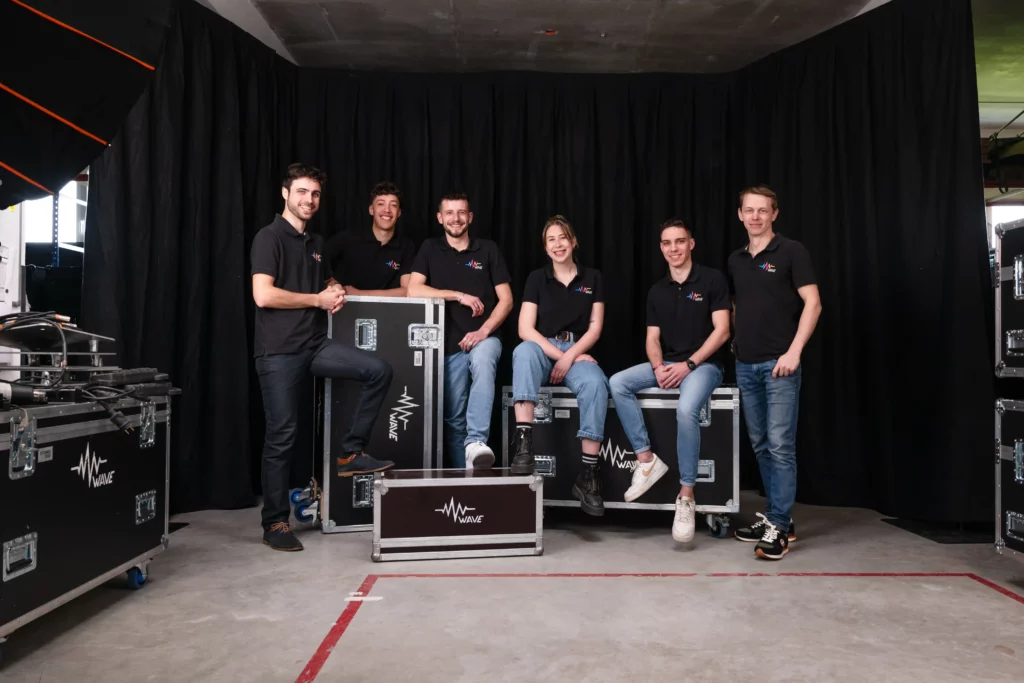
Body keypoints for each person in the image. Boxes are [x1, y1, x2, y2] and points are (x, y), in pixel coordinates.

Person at [251, 163, 395, 552]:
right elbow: (263, 295)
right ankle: (275, 522)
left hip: (314, 344)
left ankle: (350, 452)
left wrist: (334, 288)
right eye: (302, 192)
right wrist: (317, 300)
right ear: (286, 194)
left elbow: (325, 279)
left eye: (314, 194)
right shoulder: (269, 238)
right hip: (278, 352)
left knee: (378, 370)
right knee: (282, 435)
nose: (309, 200)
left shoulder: (315, 242)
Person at [608, 219, 731, 542]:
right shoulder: (657, 291)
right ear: (661, 248)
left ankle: (686, 496)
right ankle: (646, 460)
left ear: (691, 243)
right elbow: (652, 338)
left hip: (704, 366)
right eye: (667, 243)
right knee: (618, 382)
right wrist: (659, 366)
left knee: (686, 409)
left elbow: (722, 331)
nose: (673, 248)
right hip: (669, 363)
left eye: (679, 241)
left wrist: (688, 365)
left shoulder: (712, 280)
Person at [727, 185, 821, 561]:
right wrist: (737, 339)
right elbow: (739, 305)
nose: (755, 217)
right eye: (749, 210)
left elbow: (813, 303)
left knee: (781, 446)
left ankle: (778, 528)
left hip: (780, 366)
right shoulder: (736, 260)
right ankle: (776, 518)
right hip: (746, 365)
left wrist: (794, 352)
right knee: (762, 445)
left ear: (774, 214)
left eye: (762, 210)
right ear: (740, 215)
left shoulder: (791, 251)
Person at [508, 216, 611, 515]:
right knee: (523, 351)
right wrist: (559, 355)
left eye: (563, 237)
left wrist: (571, 357)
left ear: (573, 241)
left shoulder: (593, 278)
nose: (558, 244)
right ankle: (524, 446)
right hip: (543, 348)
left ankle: (588, 476)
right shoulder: (537, 279)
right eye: (551, 239)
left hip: (578, 349)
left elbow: (595, 328)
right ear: (545, 247)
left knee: (595, 382)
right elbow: (525, 329)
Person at [407, 192, 513, 468]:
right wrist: (457, 295)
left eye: (461, 212)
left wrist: (483, 332)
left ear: (470, 217)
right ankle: (463, 480)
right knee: (454, 419)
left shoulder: (487, 249)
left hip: (485, 336)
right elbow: (413, 290)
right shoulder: (430, 248)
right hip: (446, 344)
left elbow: (507, 300)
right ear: (440, 218)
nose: (456, 218)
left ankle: (476, 440)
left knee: (483, 360)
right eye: (449, 213)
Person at [323, 181, 416, 297]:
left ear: (399, 213)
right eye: (381, 204)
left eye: (393, 205)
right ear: (371, 210)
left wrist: (359, 294)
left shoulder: (406, 246)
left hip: (387, 308)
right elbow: (317, 263)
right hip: (345, 306)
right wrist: (332, 283)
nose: (387, 210)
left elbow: (406, 291)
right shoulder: (347, 238)